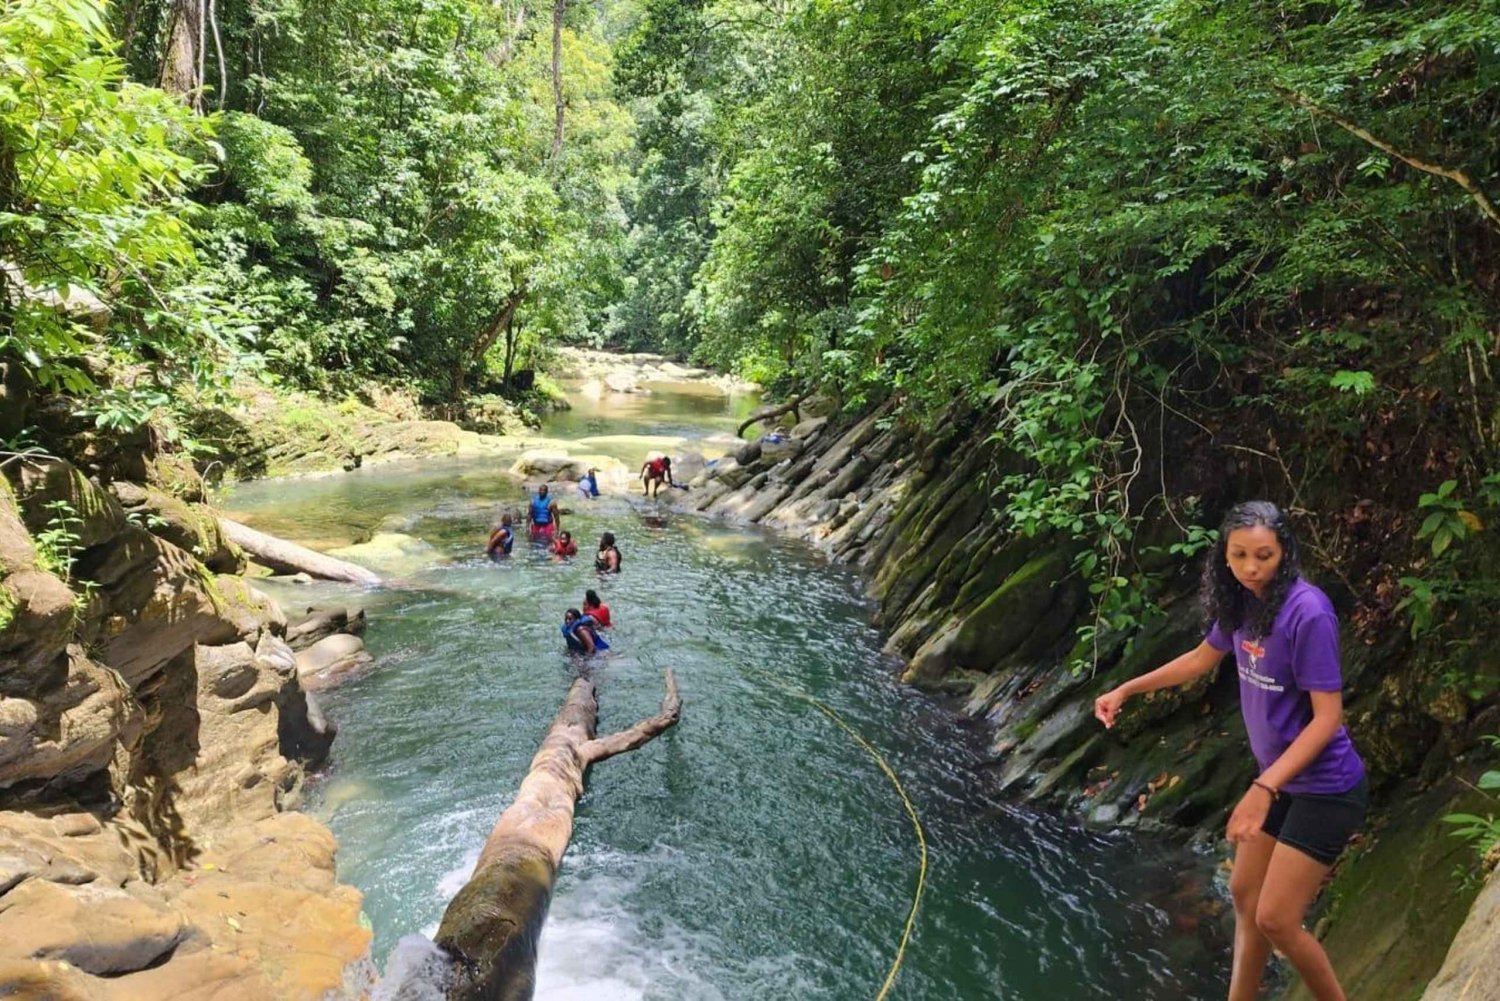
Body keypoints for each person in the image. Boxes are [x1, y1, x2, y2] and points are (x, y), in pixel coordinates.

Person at [1093, 501, 1366, 1001]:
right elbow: (1200, 659)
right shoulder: (1241, 602)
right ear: (1224, 556)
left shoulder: (1309, 612)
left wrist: (1263, 788)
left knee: (1277, 919)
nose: (1251, 567)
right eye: (1238, 555)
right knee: (1244, 893)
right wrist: (1127, 689)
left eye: (1263, 555)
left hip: (1326, 788)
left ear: (1286, 553)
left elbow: (1328, 719)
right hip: (1280, 782)